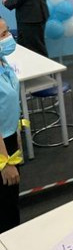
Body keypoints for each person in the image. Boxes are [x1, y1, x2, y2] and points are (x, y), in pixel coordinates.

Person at [0, 18, 21, 233]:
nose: (9, 38)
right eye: (3, 35)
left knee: (11, 202)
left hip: (10, 139)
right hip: (1, 149)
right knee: (5, 209)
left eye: (7, 32)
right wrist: (4, 163)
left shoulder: (3, 62)